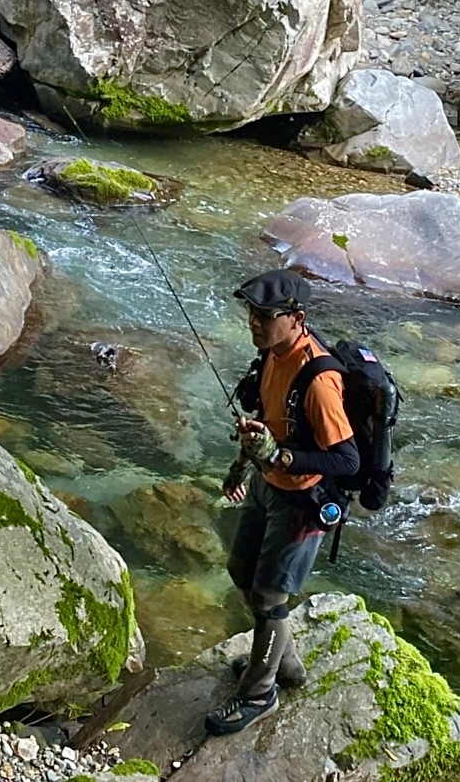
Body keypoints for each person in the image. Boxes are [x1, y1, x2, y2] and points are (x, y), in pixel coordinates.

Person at [205, 269, 360, 736]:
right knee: (240, 570)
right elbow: (266, 421)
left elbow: (347, 459)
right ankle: (284, 662)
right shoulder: (272, 355)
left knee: (271, 596)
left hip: (302, 501)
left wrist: (282, 455)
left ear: (297, 318)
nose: (254, 323)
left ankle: (260, 692)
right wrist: (244, 465)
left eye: (265, 316)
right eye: (251, 314)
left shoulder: (318, 380)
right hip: (266, 484)